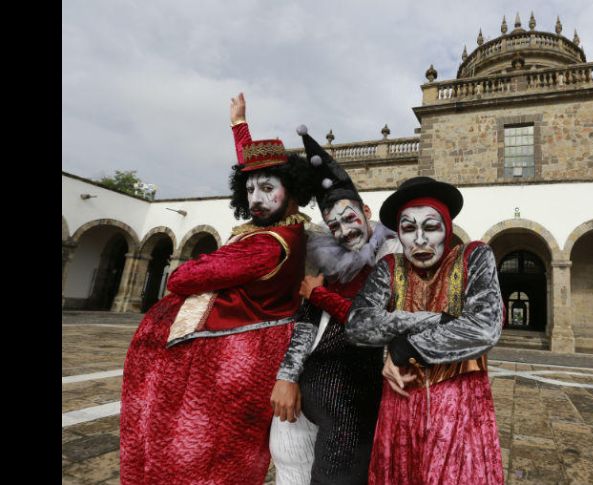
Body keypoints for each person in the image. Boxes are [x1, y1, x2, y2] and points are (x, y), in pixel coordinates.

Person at [119, 93, 315, 485]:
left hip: (226, 366)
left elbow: (181, 278)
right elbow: (253, 167)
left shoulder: (267, 244)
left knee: (201, 450)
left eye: (267, 189)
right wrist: (239, 125)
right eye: (250, 190)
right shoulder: (280, 227)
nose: (256, 199)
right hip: (225, 355)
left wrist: (198, 265)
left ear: (292, 190)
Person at [346, 176, 505, 485]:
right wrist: (438, 319)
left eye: (430, 227)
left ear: (447, 228)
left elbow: (485, 326)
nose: (419, 239)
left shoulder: (474, 257)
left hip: (458, 407)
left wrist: (405, 347)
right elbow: (357, 325)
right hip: (400, 404)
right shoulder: (390, 268)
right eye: (408, 229)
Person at [268, 126, 400, 484]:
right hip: (305, 390)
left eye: (349, 218)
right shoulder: (330, 262)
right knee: (288, 462)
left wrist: (321, 295)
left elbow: (374, 322)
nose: (344, 231)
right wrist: (287, 375)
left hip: (353, 399)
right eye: (334, 225)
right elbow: (306, 322)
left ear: (366, 210)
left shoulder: (392, 256)